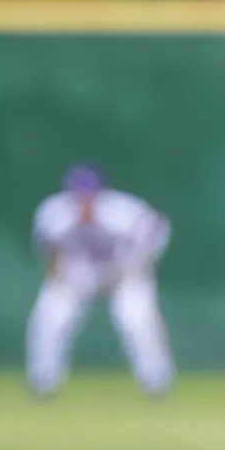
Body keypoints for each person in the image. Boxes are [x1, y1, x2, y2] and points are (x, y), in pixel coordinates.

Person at [26, 163, 175, 399]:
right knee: (50, 315)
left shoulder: (123, 211)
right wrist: (59, 274)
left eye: (89, 194)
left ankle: (156, 383)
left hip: (123, 273)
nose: (84, 200)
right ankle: (43, 382)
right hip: (79, 274)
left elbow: (158, 230)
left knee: (138, 320)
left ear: (100, 193)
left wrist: (135, 266)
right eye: (78, 194)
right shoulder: (54, 213)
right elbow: (48, 249)